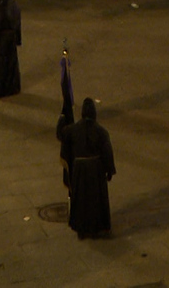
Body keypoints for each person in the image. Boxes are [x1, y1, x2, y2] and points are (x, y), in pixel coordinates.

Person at [57, 98, 115, 239]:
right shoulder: (101, 131)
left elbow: (61, 135)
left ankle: (81, 227)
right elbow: (107, 152)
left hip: (79, 170)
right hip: (96, 170)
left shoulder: (72, 130)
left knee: (81, 199)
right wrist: (109, 170)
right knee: (96, 199)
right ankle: (97, 226)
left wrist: (63, 118)